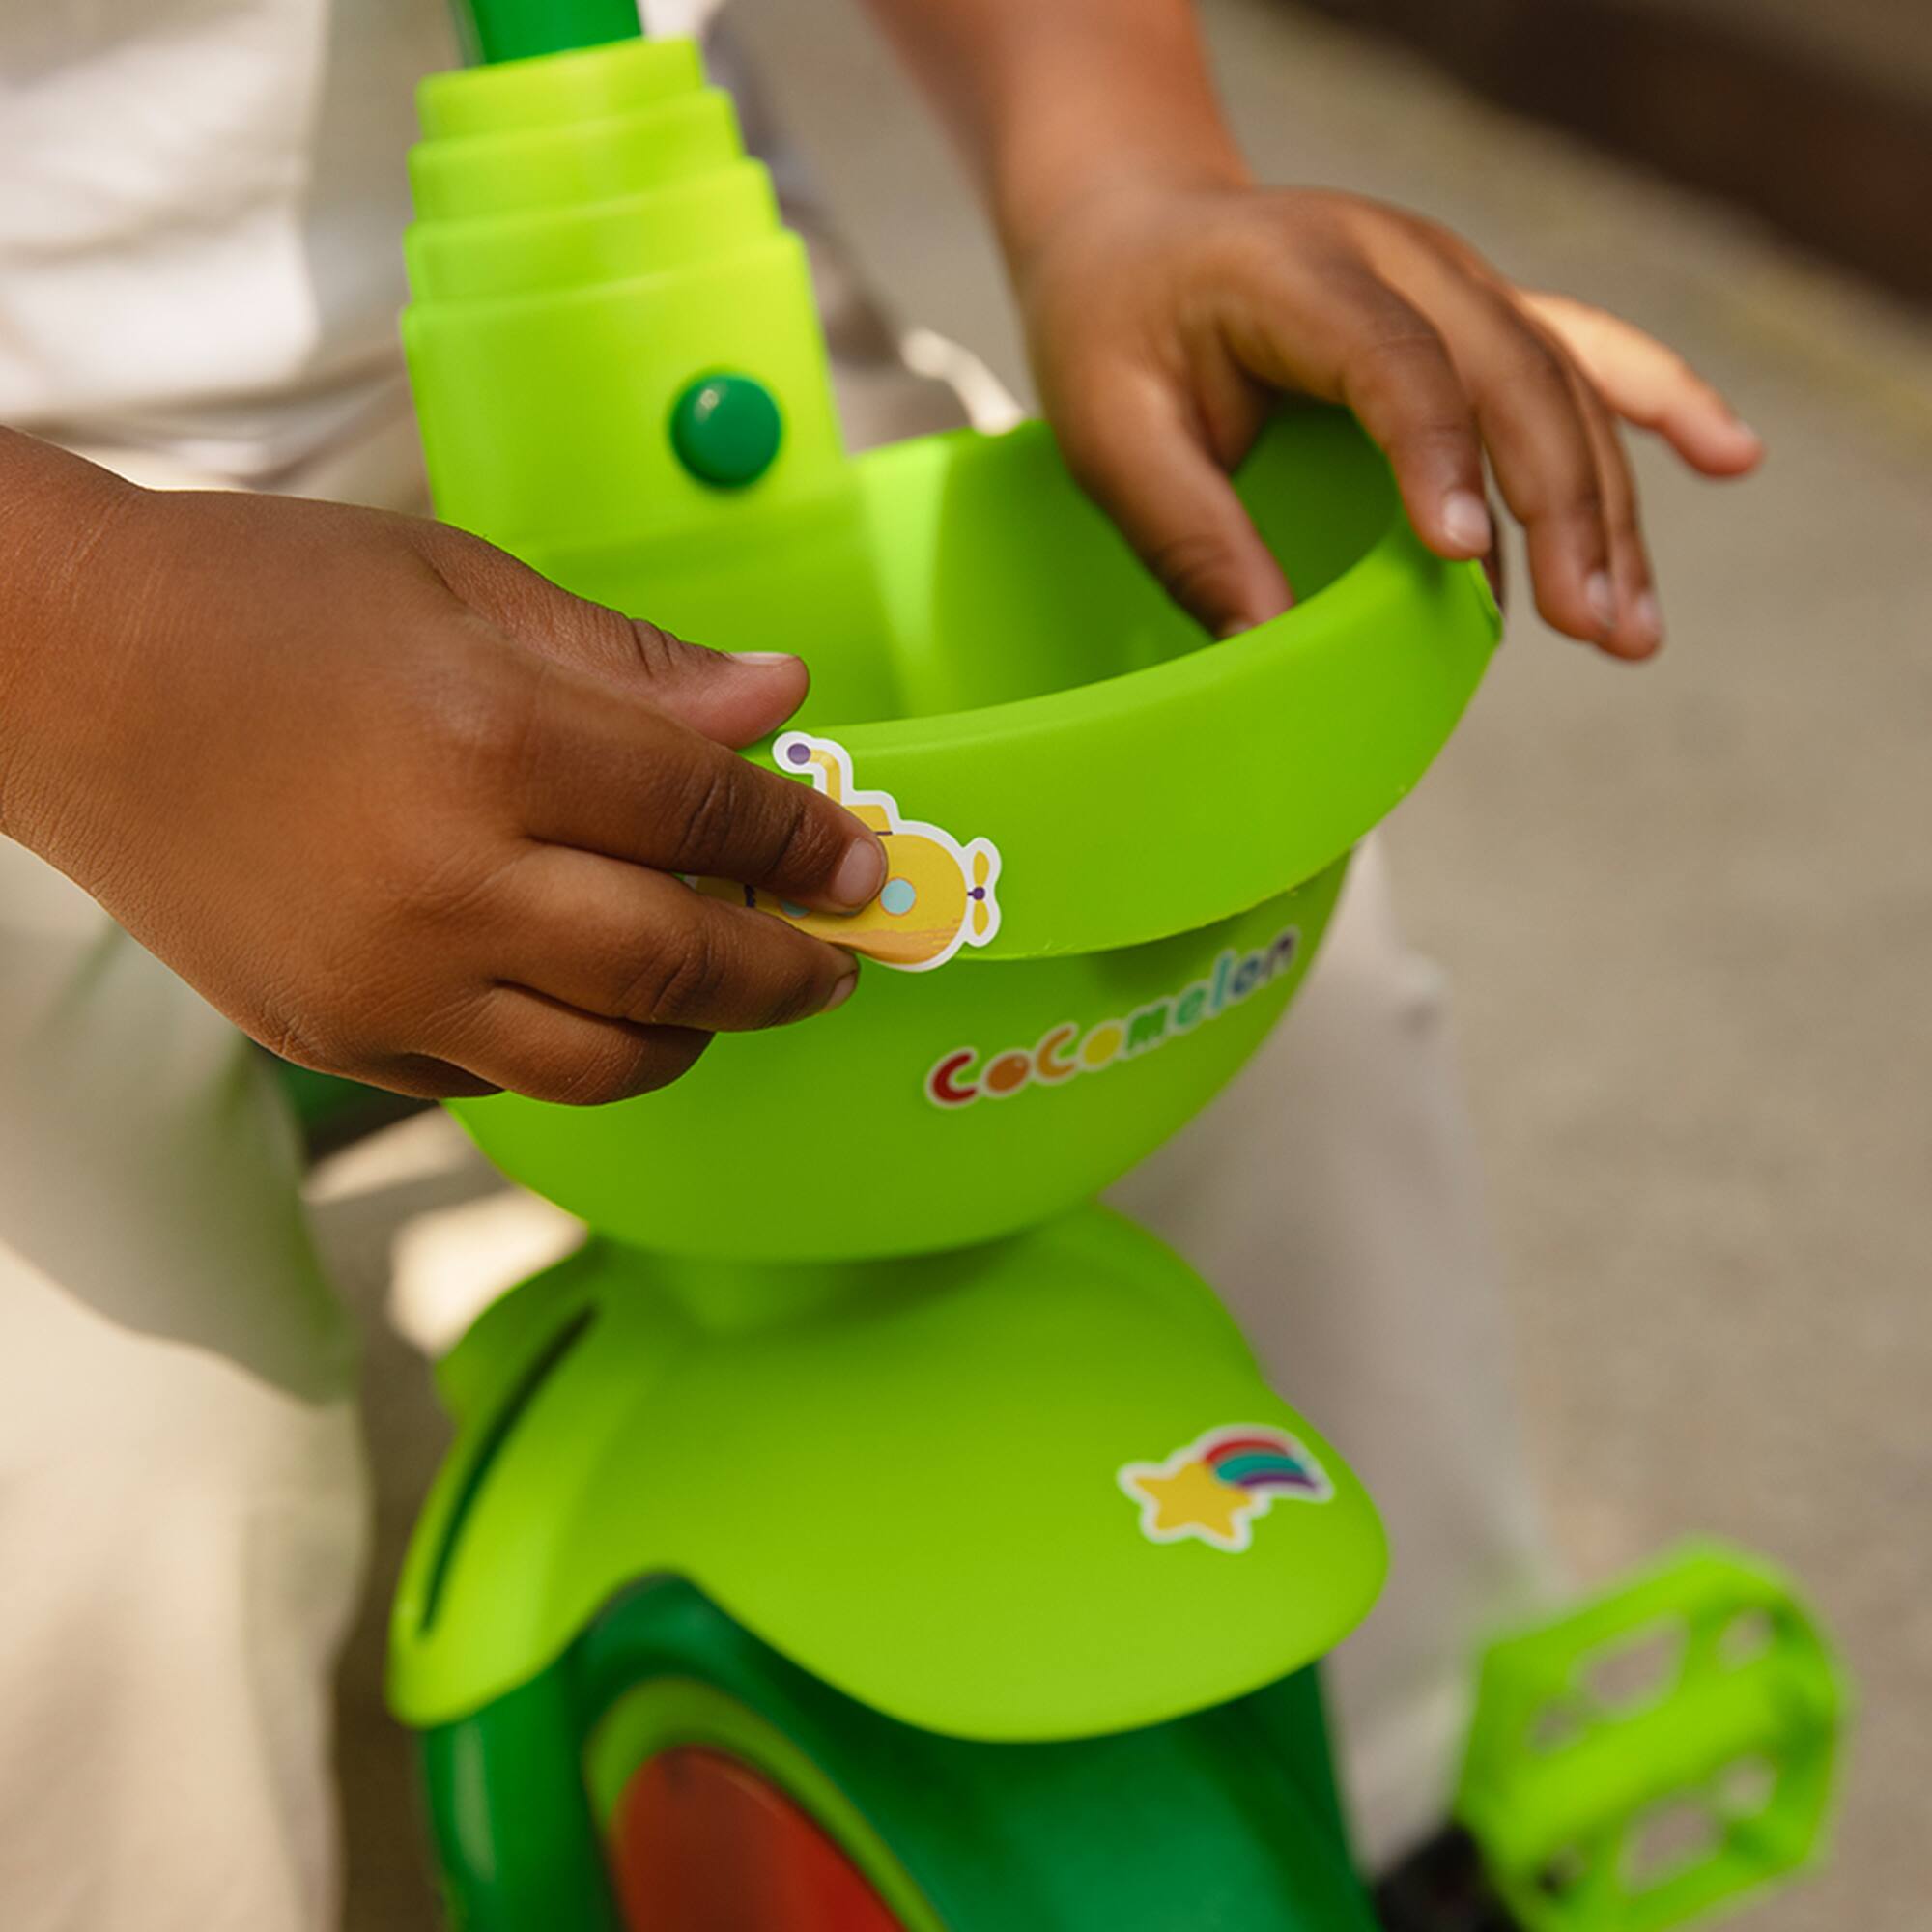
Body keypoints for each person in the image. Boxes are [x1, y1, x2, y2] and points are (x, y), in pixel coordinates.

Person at [0, 1, 1761, 1925]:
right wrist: (92, 648)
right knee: (100, 1500)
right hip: (55, 559)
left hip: (684, 351)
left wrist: (1116, 167)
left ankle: (1410, 1806)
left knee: (1277, 1031)